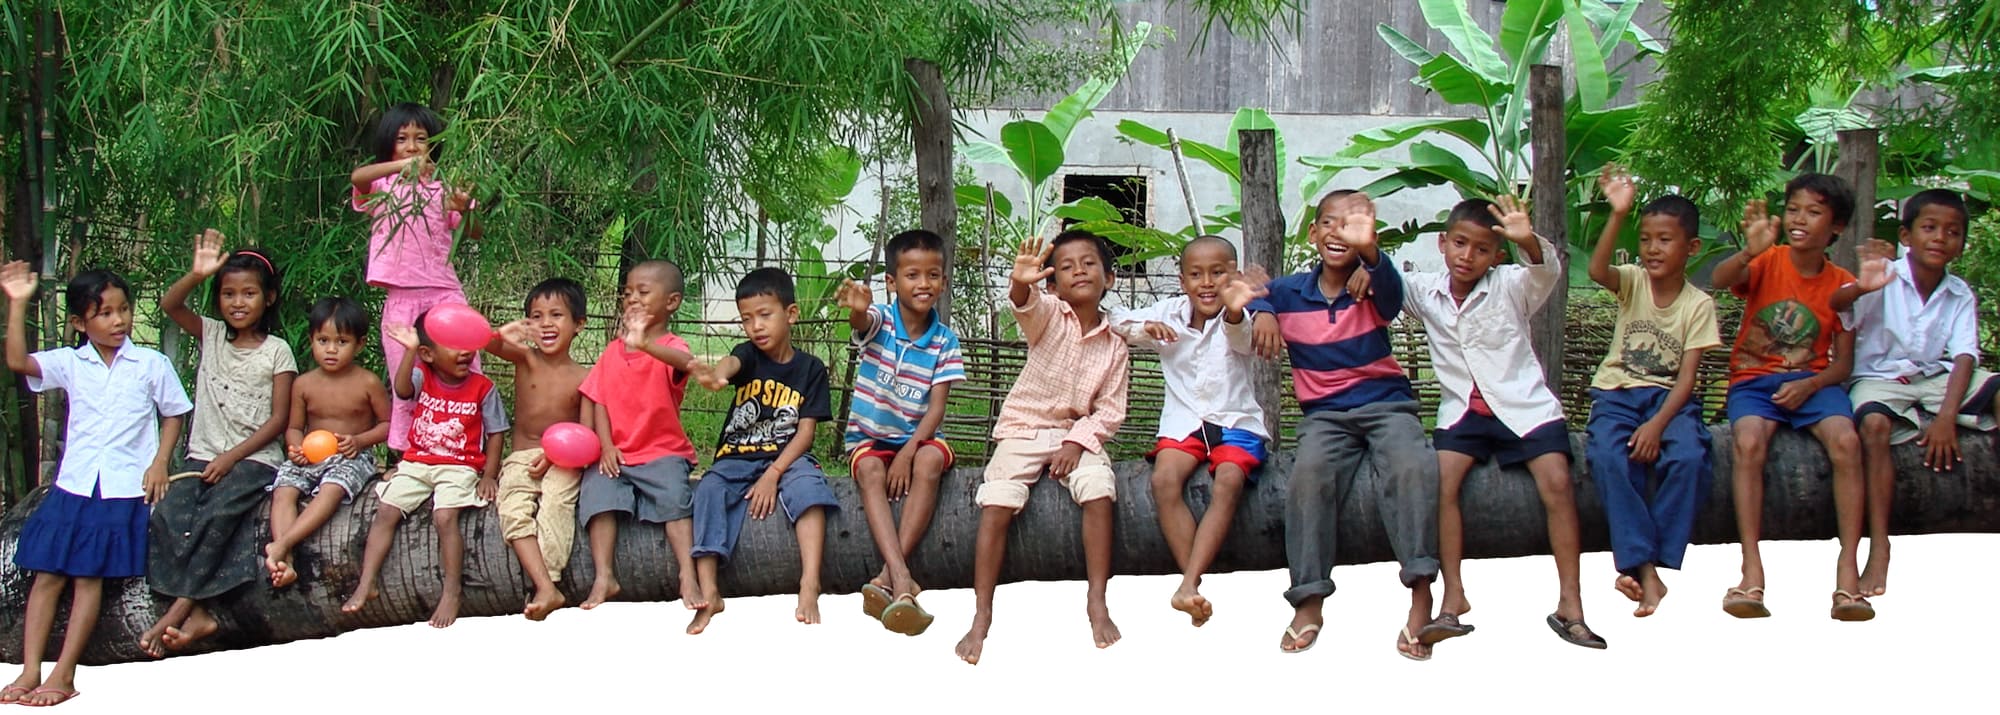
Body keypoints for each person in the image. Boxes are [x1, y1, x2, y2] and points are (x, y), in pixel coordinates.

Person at [1249, 190, 1442, 660]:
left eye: (1354, 225)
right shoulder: (1288, 292)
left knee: (1412, 466)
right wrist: (1266, 311)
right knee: (1308, 479)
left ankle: (1421, 594)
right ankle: (1309, 599)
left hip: (1386, 405)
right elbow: (1253, 290)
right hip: (1326, 416)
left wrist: (1373, 255)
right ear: (1313, 233)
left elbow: (1394, 297)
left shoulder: (1372, 283)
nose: (1340, 233)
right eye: (1330, 223)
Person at [1404, 195, 1604, 649]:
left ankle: (1570, 602)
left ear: (1496, 256)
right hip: (1463, 413)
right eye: (1459, 244)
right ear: (1442, 243)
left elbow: (1545, 270)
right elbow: (1385, 283)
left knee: (1557, 481)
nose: (1466, 256)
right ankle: (1452, 599)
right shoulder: (1425, 290)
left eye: (1480, 249)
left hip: (1524, 407)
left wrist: (1528, 241)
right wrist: (1364, 266)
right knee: (1443, 482)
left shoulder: (1512, 284)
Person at [3, 263, 191, 706]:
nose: (119, 320)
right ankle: (30, 670)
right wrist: (16, 303)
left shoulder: (151, 363)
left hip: (122, 488)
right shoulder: (71, 363)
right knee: (46, 576)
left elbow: (174, 413)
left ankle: (64, 674)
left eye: (123, 309)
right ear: (79, 322)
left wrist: (160, 463)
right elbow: (17, 361)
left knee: (88, 579)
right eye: (104, 313)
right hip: (74, 483)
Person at [956, 230, 1129, 665]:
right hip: (1024, 427)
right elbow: (1024, 304)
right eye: (1067, 267)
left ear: (1109, 277)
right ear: (1053, 285)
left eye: (1089, 263)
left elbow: (1109, 412)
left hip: (1078, 430)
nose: (1079, 271)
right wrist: (1020, 282)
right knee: (996, 501)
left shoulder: (1116, 346)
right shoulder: (1050, 314)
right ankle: (981, 616)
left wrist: (1076, 441)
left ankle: (1097, 600)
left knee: (1098, 490)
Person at [1711, 173, 1868, 621]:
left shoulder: (1843, 284)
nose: (1800, 219)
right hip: (1753, 381)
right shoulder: (1768, 260)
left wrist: (1810, 385)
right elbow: (1723, 280)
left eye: (1814, 212)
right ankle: (1751, 569)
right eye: (1795, 209)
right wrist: (1749, 250)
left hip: (1815, 383)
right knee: (1748, 443)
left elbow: (1843, 364)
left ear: (1835, 227)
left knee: (1847, 442)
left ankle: (1848, 571)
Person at [139, 230, 296, 656]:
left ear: (270, 298)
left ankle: (178, 612)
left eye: (249, 293)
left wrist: (232, 457)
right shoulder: (210, 333)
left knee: (220, 516)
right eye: (228, 293)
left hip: (255, 459)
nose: (238, 302)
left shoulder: (278, 351)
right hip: (200, 455)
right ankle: (201, 611)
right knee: (169, 514)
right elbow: (169, 306)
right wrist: (196, 274)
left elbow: (279, 419)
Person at [1832, 188, 1993, 599]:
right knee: (1873, 426)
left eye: (1952, 232)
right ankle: (1880, 546)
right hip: (1879, 378)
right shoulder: (1884, 275)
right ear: (1906, 236)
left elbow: (1963, 358)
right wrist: (1863, 287)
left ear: (1960, 245)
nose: (1940, 237)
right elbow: (1837, 303)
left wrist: (1945, 418)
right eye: (1929, 228)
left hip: (1932, 377)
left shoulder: (1959, 294)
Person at [1582, 166, 1722, 618]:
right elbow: (1597, 268)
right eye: (1646, 239)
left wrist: (1657, 426)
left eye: (1665, 239)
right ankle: (1644, 570)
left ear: (1691, 248)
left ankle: (1649, 563)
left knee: (1688, 458)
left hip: (1669, 401)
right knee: (1607, 457)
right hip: (1617, 393)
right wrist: (1618, 213)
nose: (1652, 249)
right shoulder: (1633, 282)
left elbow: (1687, 379)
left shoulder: (1698, 305)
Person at [1111, 235, 1267, 629]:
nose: (1207, 283)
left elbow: (1242, 339)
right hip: (1185, 423)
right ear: (1182, 281)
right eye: (1196, 275)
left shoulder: (1241, 316)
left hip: (1234, 421)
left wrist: (1234, 312)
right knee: (1164, 480)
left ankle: (1188, 582)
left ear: (1233, 275)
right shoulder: (1171, 313)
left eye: (1218, 273)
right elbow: (1115, 320)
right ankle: (1191, 587)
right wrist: (1147, 325)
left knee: (1229, 479)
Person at [683, 267, 842, 635]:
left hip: (787, 457)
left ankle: (809, 583)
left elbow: (805, 435)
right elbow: (732, 363)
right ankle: (710, 591)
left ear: (791, 314)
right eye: (746, 319)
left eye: (764, 315)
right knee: (707, 491)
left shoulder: (811, 369)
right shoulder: (748, 355)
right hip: (738, 455)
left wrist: (773, 474)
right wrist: (718, 375)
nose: (756, 326)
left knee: (810, 492)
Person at [340, 310, 508, 628]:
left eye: (466, 344)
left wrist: (489, 474)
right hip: (418, 461)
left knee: (445, 516)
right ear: (428, 354)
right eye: (452, 345)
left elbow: (497, 431)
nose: (464, 352)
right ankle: (367, 581)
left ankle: (452, 590)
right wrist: (409, 352)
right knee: (386, 510)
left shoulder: (483, 388)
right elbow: (403, 390)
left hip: (459, 465)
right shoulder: (423, 376)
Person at [835, 229, 965, 636]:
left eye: (932, 275)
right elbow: (862, 319)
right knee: (870, 472)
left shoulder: (944, 341)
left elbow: (937, 408)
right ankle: (902, 580)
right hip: (870, 438)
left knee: (930, 460)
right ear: (892, 282)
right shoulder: (882, 321)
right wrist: (856, 309)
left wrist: (910, 451)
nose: (923, 284)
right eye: (912, 275)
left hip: (917, 436)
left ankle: (886, 577)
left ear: (943, 281)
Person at [349, 102, 482, 456]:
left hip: (445, 295)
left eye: (420, 139)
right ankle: (408, 453)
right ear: (388, 146)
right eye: (401, 139)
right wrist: (400, 167)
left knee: (464, 370)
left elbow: (474, 232)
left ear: (432, 145)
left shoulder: (443, 189)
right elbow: (357, 178)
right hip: (401, 299)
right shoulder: (382, 185)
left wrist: (464, 206)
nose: (411, 147)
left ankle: (467, 447)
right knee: (405, 378)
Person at [576, 260, 704, 612]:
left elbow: (684, 363)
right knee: (599, 496)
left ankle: (687, 574)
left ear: (672, 301)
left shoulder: (671, 345)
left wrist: (645, 343)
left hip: (661, 450)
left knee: (676, 500)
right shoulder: (611, 352)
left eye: (643, 293)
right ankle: (604, 575)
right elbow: (599, 399)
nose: (632, 299)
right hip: (617, 451)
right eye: (628, 292)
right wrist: (605, 446)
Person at [263, 297, 390, 590]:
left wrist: (359, 441)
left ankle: (282, 544)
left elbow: (388, 425)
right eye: (323, 340)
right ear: (311, 341)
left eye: (341, 342)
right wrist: (296, 449)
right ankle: (287, 562)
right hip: (309, 456)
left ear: (359, 344)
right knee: (283, 490)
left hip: (351, 457)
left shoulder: (368, 382)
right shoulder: (304, 384)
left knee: (332, 489)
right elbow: (294, 427)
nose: (331, 349)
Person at [483, 278, 591, 620]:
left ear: (578, 325)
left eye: (556, 315)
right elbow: (483, 341)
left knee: (556, 505)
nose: (545, 323)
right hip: (523, 457)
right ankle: (545, 585)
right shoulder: (525, 359)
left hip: (564, 459)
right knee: (512, 508)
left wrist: (558, 455)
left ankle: (549, 580)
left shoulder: (584, 376)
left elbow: (586, 432)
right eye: (536, 316)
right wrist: (508, 331)